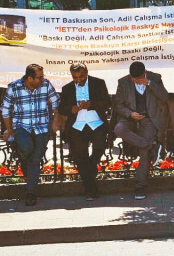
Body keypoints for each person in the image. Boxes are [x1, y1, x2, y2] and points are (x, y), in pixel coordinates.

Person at [1, 64, 59, 206]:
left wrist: (56, 121)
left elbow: (56, 102)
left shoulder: (46, 85)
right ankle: (22, 158)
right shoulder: (14, 87)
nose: (42, 79)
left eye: (42, 76)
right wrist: (9, 130)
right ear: (29, 78)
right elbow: (6, 110)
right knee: (26, 149)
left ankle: (30, 192)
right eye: (39, 77)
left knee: (35, 159)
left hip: (42, 127)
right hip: (22, 126)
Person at [113, 61, 169, 200]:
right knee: (118, 129)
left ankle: (140, 186)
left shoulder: (155, 78)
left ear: (144, 73)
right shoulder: (123, 82)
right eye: (133, 78)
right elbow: (118, 105)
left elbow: (164, 97)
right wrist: (130, 114)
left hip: (148, 119)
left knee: (144, 153)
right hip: (130, 117)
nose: (135, 81)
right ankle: (152, 146)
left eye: (138, 78)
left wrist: (149, 84)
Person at [58, 63, 110, 201]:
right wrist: (72, 109)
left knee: (100, 147)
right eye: (75, 77)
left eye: (81, 77)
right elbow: (62, 108)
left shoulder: (98, 83)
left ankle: (91, 167)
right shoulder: (67, 88)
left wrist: (91, 105)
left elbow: (107, 103)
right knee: (80, 157)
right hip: (77, 125)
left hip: (96, 123)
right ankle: (90, 190)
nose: (78, 80)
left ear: (86, 72)